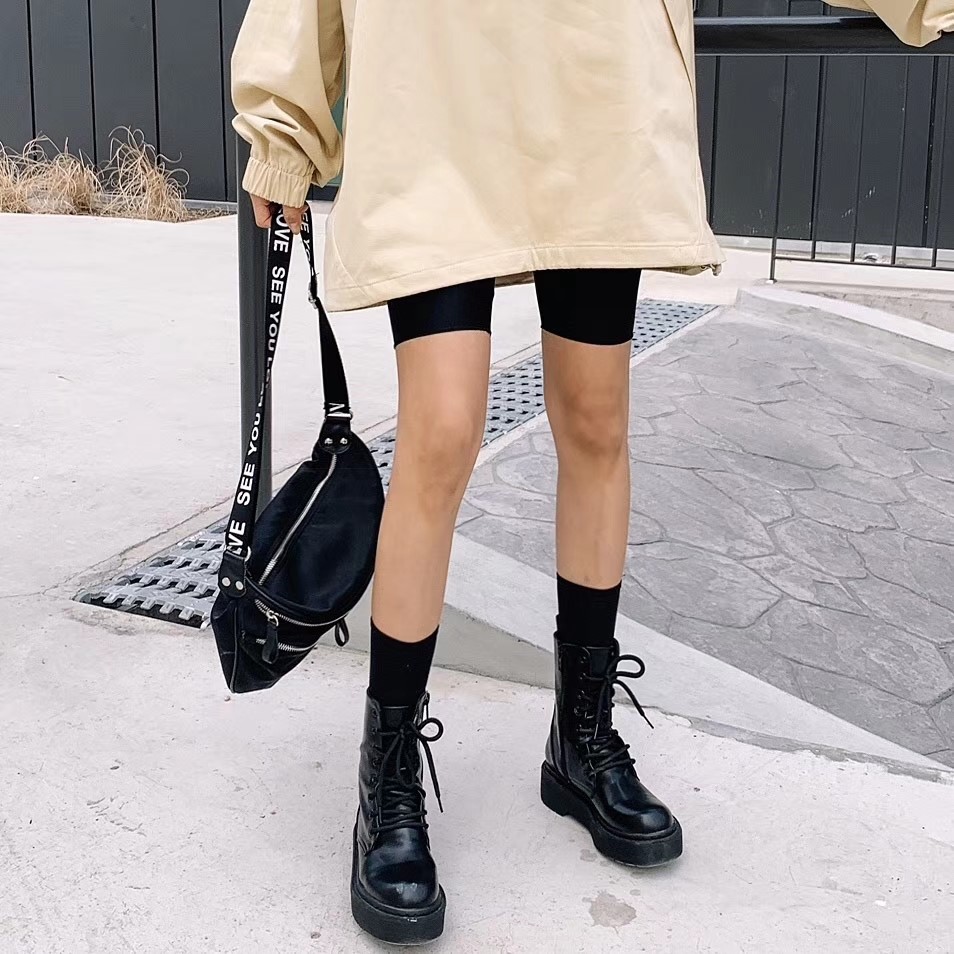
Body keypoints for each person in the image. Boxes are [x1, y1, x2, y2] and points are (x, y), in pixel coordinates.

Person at [230, 0, 949, 944]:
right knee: (440, 433)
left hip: (590, 87)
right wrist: (284, 127)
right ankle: (387, 773)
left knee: (597, 419)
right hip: (433, 93)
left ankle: (581, 735)